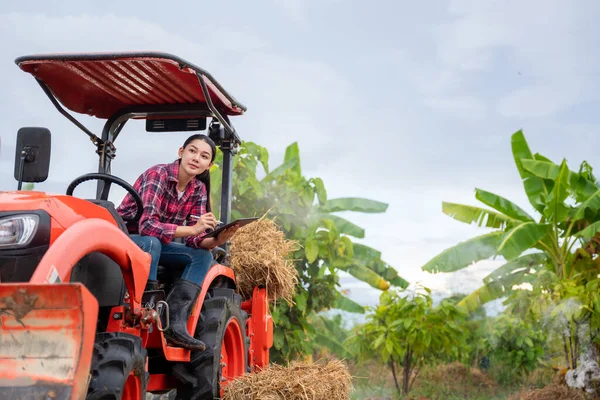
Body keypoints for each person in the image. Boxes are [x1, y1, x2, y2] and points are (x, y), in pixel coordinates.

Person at [117, 133, 238, 351]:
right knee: (152, 242)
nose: (195, 158)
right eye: (192, 151)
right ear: (181, 152)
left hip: (158, 244)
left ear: (208, 165)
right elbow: (147, 227)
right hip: (127, 239)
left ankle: (175, 322)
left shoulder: (198, 189)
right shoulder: (158, 174)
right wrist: (193, 228)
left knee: (203, 256)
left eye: (203, 156)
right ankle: (147, 308)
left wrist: (220, 237)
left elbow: (195, 239)